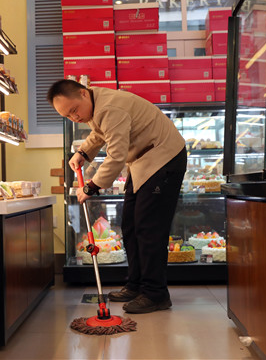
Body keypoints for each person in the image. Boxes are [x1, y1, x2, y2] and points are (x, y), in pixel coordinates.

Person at [46, 79, 187, 314]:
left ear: (83, 94)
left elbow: (116, 154)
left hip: (164, 158)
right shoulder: (95, 103)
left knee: (149, 228)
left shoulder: (109, 107)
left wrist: (91, 187)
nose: (75, 118)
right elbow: (100, 133)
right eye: (68, 116)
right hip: (143, 162)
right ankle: (136, 285)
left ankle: (156, 294)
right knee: (131, 225)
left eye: (74, 110)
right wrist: (83, 152)